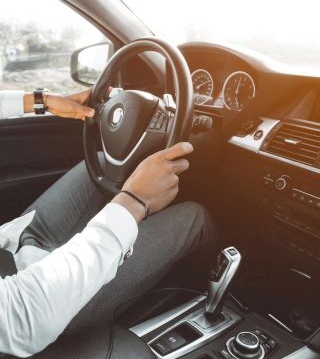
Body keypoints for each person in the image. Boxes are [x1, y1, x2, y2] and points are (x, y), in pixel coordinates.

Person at [0, 89, 213, 357]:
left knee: (102, 164)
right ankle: (224, 296)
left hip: (10, 246)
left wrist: (39, 100)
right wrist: (133, 201)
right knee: (195, 217)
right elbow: (22, 316)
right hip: (40, 305)